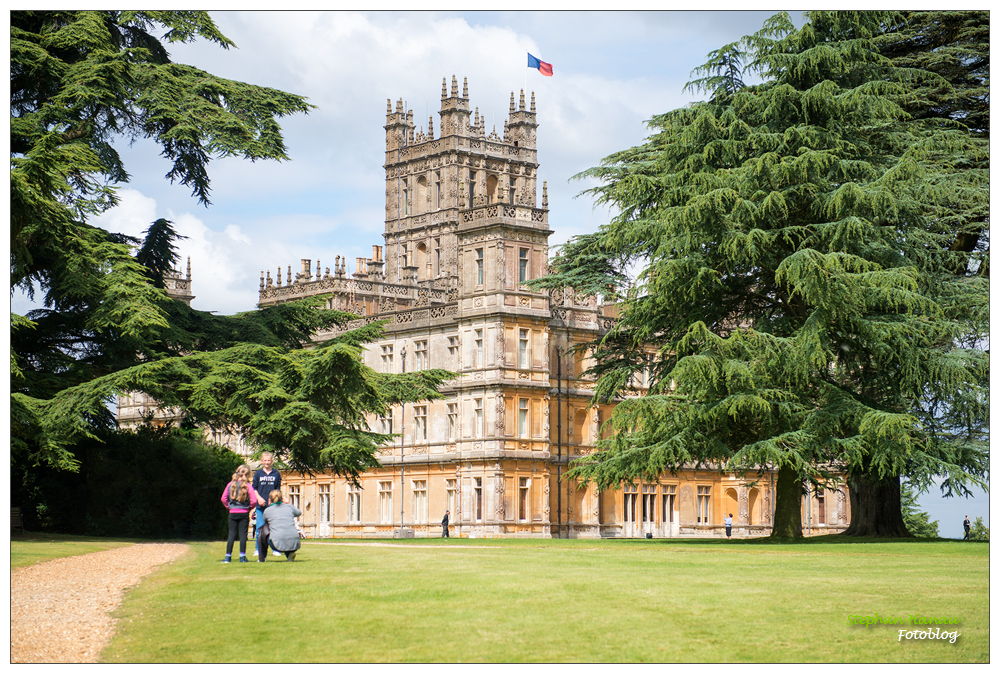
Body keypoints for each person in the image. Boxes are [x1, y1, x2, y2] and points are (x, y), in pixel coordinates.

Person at [221, 465, 261, 563]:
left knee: (231, 534)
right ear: (247, 475)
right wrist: (249, 508)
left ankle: (227, 557)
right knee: (243, 534)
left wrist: (228, 507)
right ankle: (242, 557)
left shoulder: (230, 484)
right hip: (244, 512)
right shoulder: (247, 486)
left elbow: (223, 498)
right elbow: (254, 500)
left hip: (233, 512)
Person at [252, 452, 281, 557]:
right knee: (259, 528)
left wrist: (274, 500)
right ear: (262, 461)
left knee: (274, 528)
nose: (267, 462)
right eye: (265, 460)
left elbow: (278, 489)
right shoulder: (258, 474)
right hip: (260, 506)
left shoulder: (276, 473)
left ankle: (275, 549)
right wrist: (259, 498)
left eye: (268, 460)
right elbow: (254, 488)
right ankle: (258, 549)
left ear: (271, 461)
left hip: (273, 506)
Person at [263, 489, 303, 562]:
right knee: (284, 533)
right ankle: (290, 554)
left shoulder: (268, 510)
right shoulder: (288, 507)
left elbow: (265, 521)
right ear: (282, 498)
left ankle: (263, 557)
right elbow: (298, 513)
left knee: (263, 530)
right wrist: (288, 503)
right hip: (295, 542)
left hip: (276, 545)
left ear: (270, 499)